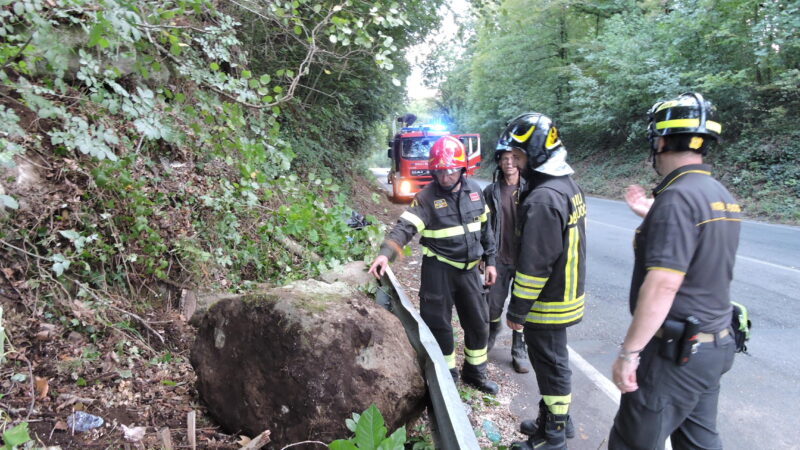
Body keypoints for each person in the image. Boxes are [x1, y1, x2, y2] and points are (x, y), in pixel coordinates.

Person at [609, 92, 741, 449]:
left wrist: (629, 354)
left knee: (632, 443)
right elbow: (699, 252)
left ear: (660, 140)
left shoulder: (676, 198)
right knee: (697, 441)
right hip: (713, 347)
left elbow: (664, 283)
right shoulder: (719, 194)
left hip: (672, 357)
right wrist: (654, 217)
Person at [368, 135, 500, 394]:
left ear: (461, 169)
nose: (445, 176)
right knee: (438, 323)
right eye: (439, 171)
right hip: (439, 270)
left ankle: (475, 373)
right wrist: (386, 254)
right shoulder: (426, 198)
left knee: (478, 322)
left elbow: (487, 231)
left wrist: (491, 261)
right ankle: (446, 373)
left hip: (470, 271)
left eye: (450, 171)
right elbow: (405, 228)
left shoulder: (475, 192)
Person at [501, 113, 586, 450]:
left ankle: (552, 438)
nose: (515, 163)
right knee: (551, 363)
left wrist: (517, 311)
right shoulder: (566, 185)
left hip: (548, 301)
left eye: (519, 156)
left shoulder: (542, 199)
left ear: (536, 154)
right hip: (565, 293)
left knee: (551, 367)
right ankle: (552, 421)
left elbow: (535, 266)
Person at [483, 146, 531, 374]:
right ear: (499, 163)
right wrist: (485, 256)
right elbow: (483, 227)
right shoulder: (491, 191)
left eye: (514, 158)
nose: (509, 162)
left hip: (525, 259)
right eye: (504, 159)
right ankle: (493, 330)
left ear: (520, 162)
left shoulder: (531, 189)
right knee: (492, 305)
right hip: (499, 257)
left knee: (520, 307)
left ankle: (518, 349)